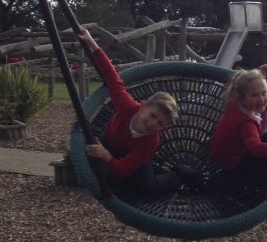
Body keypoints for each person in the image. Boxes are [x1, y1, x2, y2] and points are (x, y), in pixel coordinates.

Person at [75, 27, 200, 197]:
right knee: (108, 177)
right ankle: (149, 172)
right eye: (153, 115)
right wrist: (91, 43)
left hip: (135, 159)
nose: (153, 123)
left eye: (160, 123)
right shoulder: (127, 106)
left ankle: (178, 175)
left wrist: (106, 157)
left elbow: (125, 166)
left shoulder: (151, 141)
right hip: (112, 144)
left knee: (147, 189)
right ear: (143, 106)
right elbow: (112, 78)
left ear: (164, 127)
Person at [210, 65, 267, 192]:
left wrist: (261, 70)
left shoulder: (234, 104)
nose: (261, 99)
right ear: (241, 98)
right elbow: (255, 148)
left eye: (264, 93)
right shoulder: (246, 122)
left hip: (223, 155)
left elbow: (244, 81)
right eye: (254, 96)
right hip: (235, 167)